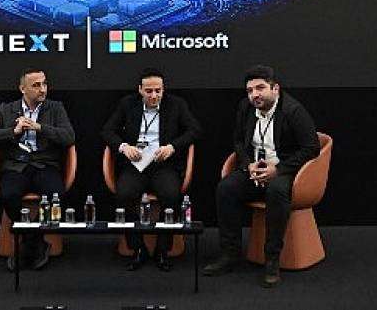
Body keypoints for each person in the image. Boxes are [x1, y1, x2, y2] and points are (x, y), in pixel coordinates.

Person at [202, 65, 319, 288]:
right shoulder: (245, 107)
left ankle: (272, 259)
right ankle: (229, 254)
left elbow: (311, 148)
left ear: (275, 89)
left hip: (284, 170)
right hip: (254, 168)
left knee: (276, 191)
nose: (254, 95)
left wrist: (278, 169)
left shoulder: (293, 111)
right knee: (226, 188)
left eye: (260, 88)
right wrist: (249, 165)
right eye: (250, 90)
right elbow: (238, 141)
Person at [101, 67, 202, 271]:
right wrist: (124, 147)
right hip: (136, 164)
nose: (154, 95)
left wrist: (172, 147)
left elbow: (195, 130)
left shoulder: (176, 105)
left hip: (163, 164)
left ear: (164, 89)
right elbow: (107, 131)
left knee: (171, 196)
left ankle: (162, 250)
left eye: (158, 90)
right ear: (140, 90)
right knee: (123, 195)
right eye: (149, 91)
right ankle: (138, 248)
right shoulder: (127, 104)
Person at [0, 68, 75, 272]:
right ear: (23, 89)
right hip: (16, 165)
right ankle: (36, 242)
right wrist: (13, 131)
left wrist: (40, 127)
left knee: (56, 195)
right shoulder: (6, 109)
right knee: (9, 195)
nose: (43, 89)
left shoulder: (55, 108)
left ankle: (28, 245)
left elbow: (69, 137)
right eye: (36, 85)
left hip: (45, 165)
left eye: (44, 84)